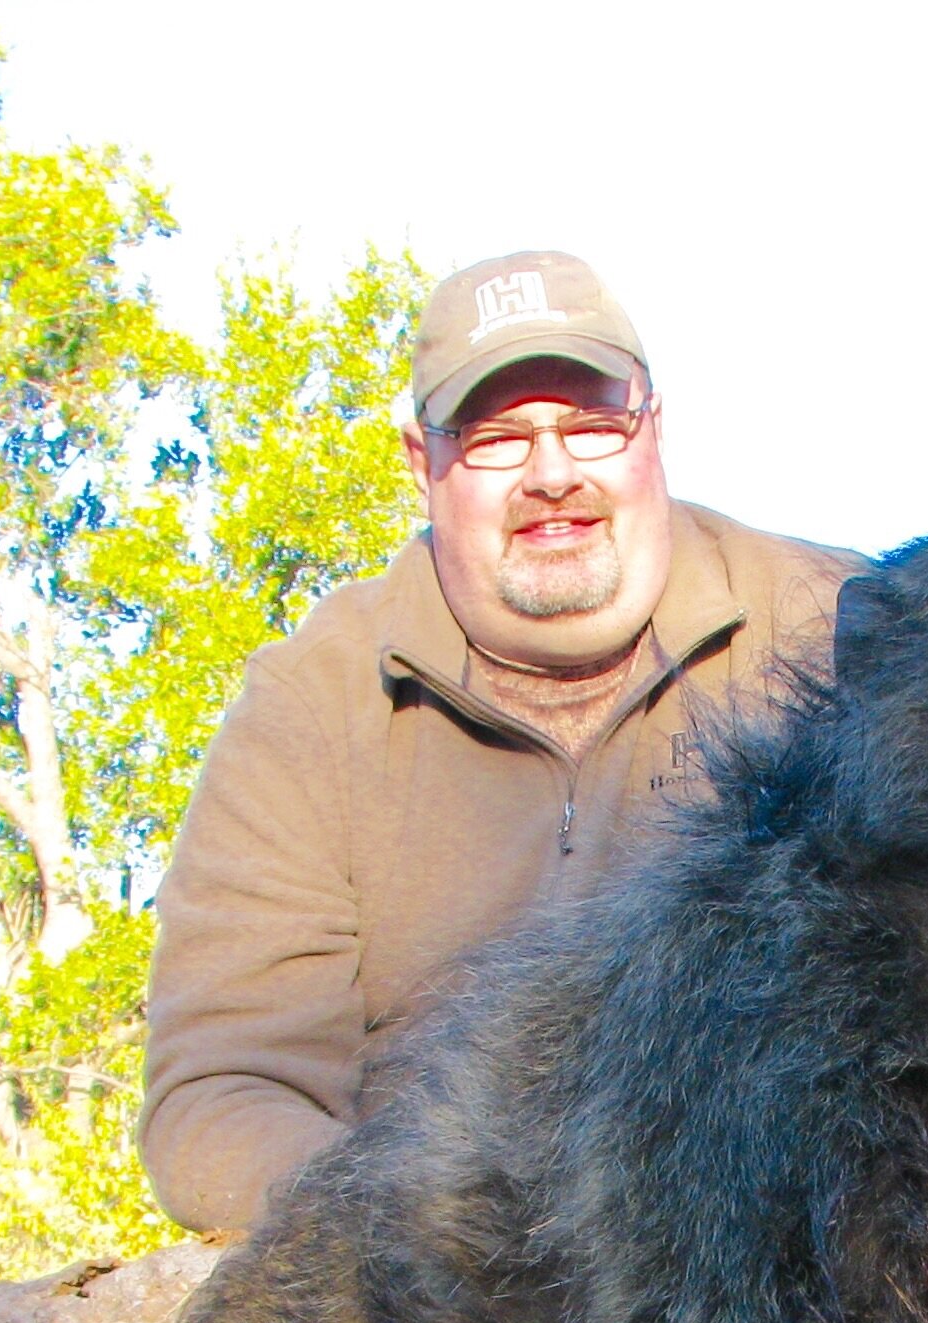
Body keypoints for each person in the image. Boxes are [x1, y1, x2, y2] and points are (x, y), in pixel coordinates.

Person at [139, 250, 862, 1232]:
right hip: (434, 1280)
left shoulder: (846, 632)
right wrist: (427, 1232)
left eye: (591, 424)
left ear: (653, 428)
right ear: (420, 459)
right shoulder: (309, 706)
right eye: (497, 438)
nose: (553, 474)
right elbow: (223, 1090)